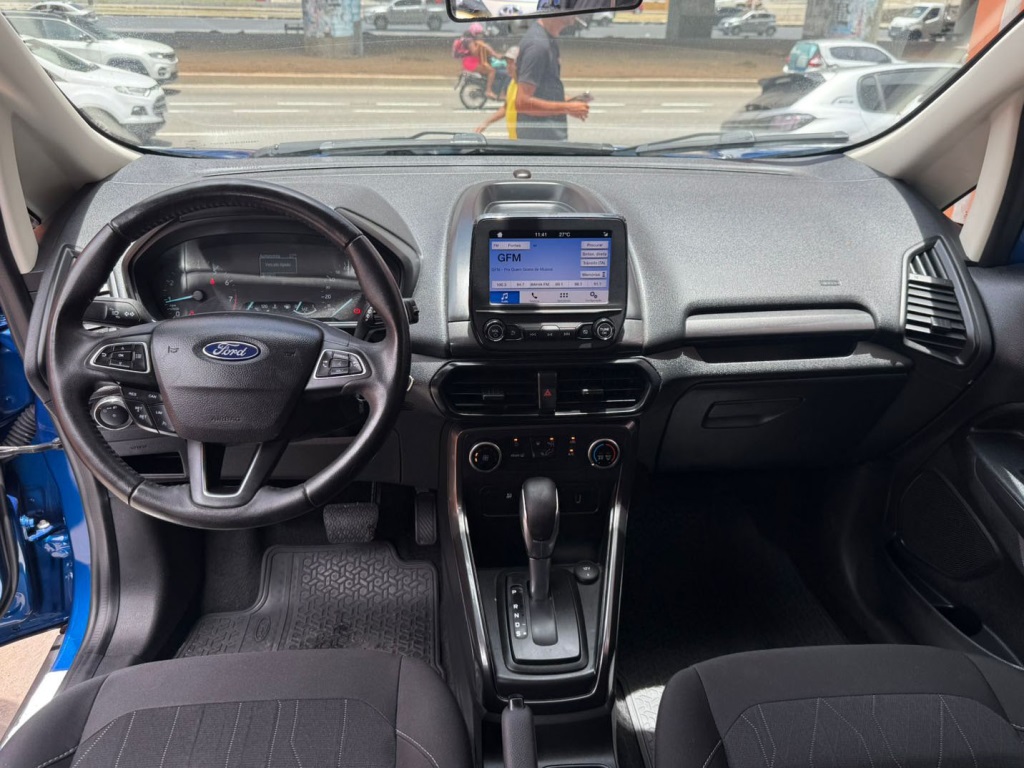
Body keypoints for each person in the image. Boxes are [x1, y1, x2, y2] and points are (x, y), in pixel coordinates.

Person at [514, 16, 590, 141]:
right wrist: (566, 108)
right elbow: (523, 103)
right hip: (540, 143)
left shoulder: (547, 40)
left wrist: (569, 101)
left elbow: (543, 90)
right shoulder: (538, 46)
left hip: (547, 140)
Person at [475, 46, 521, 138]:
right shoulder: (512, 83)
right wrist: (486, 123)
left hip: (524, 141)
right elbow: (506, 107)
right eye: (507, 63)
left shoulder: (526, 87)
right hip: (514, 140)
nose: (508, 67)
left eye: (512, 63)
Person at [464, 22, 501, 101]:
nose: (481, 35)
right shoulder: (470, 41)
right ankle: (488, 91)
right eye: (479, 33)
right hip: (471, 64)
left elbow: (488, 49)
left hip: (476, 62)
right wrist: (480, 44)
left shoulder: (477, 41)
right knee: (492, 71)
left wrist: (495, 54)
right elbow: (474, 53)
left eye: (481, 33)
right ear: (474, 33)